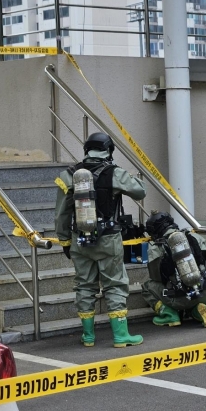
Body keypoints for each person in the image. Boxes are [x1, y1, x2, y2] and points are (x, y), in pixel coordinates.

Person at [54, 132, 147, 348]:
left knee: (84, 286)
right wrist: (128, 176)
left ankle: (88, 336)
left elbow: (61, 214)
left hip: (80, 239)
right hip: (108, 240)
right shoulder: (115, 173)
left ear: (86, 150)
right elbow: (140, 192)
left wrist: (65, 241)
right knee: (114, 284)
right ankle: (121, 336)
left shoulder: (69, 175)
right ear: (109, 150)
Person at [142, 211, 206, 328]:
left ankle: (169, 314)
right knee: (199, 298)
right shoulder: (194, 236)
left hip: (177, 298)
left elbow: (156, 276)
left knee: (147, 286)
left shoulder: (156, 247)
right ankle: (202, 309)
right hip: (205, 293)